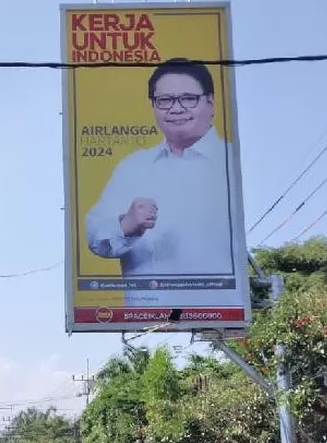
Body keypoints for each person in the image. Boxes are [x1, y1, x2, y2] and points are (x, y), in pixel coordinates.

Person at [84, 58, 236, 308]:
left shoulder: (231, 162)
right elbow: (94, 238)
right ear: (153, 106)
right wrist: (125, 225)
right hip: (149, 320)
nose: (176, 109)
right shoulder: (132, 167)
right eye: (164, 101)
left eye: (188, 98)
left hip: (221, 313)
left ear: (210, 102)